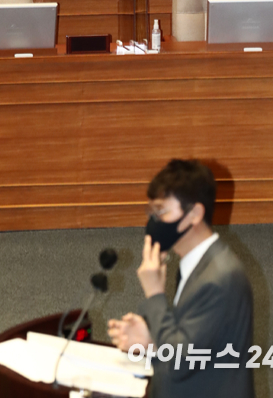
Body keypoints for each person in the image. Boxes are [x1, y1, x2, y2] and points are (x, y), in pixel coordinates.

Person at [108, 159, 254, 398]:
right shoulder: (194, 263)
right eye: (151, 212)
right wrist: (150, 339)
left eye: (161, 212)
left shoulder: (219, 279)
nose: (153, 221)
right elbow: (194, 344)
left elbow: (180, 363)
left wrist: (155, 295)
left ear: (195, 213)